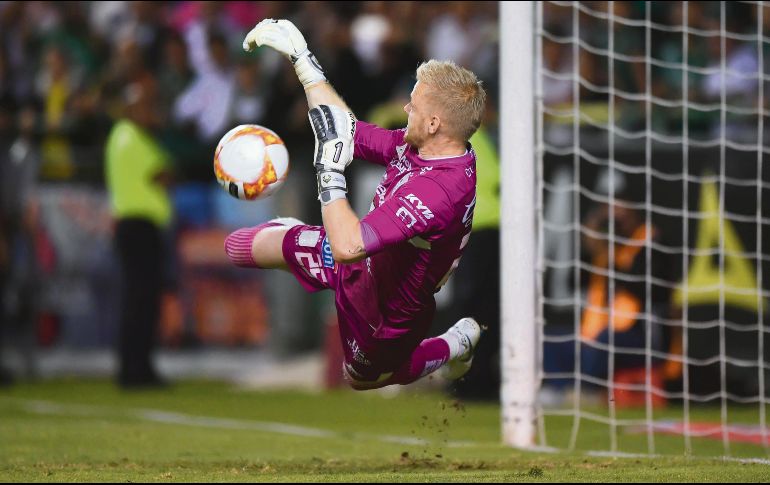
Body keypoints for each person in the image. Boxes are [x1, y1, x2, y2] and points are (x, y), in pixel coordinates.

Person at [225, 19, 485, 390]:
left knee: (361, 378)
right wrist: (304, 62)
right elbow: (344, 130)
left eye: (414, 105)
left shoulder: (439, 191)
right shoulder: (424, 146)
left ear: (433, 123)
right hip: (358, 259)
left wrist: (329, 170)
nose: (405, 107)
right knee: (237, 247)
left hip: (387, 308)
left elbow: (348, 246)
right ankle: (296, 238)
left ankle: (454, 343)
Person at [105, 76, 173, 389]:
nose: (151, 112)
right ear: (132, 109)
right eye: (145, 107)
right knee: (141, 301)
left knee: (138, 299)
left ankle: (134, 367)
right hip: (139, 227)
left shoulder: (120, 135)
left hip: (132, 226)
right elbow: (163, 174)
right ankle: (136, 370)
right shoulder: (132, 136)